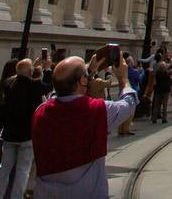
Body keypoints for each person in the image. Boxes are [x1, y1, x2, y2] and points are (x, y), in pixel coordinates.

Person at [30, 52, 137, 197]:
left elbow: (58, 91)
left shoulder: (40, 112)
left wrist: (89, 72)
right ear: (82, 81)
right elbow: (129, 104)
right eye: (85, 76)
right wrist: (123, 78)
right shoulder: (98, 110)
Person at [0, 57, 47, 199]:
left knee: (4, 169)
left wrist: (31, 68)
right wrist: (43, 70)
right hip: (26, 135)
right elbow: (46, 87)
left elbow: (19, 76)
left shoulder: (9, 84)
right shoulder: (35, 86)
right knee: (23, 170)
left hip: (9, 133)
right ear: (30, 72)